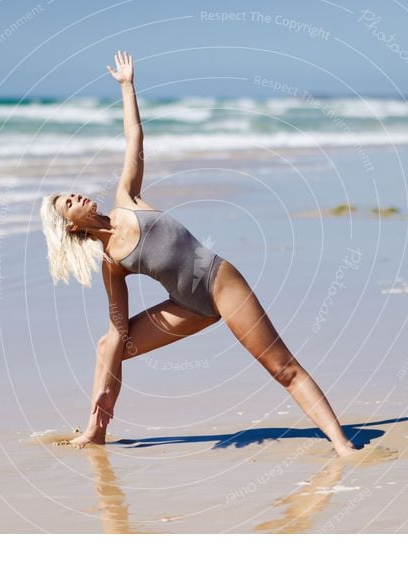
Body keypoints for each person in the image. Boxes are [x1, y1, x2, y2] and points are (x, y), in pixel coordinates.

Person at [39, 51, 359, 458]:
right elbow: (120, 328)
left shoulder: (127, 199)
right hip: (187, 308)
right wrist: (104, 385)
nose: (78, 195)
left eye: (73, 193)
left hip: (220, 283)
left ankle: (343, 444)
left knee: (281, 367)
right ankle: (97, 426)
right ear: (71, 225)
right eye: (70, 202)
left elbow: (134, 138)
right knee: (109, 345)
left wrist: (127, 87)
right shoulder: (111, 264)